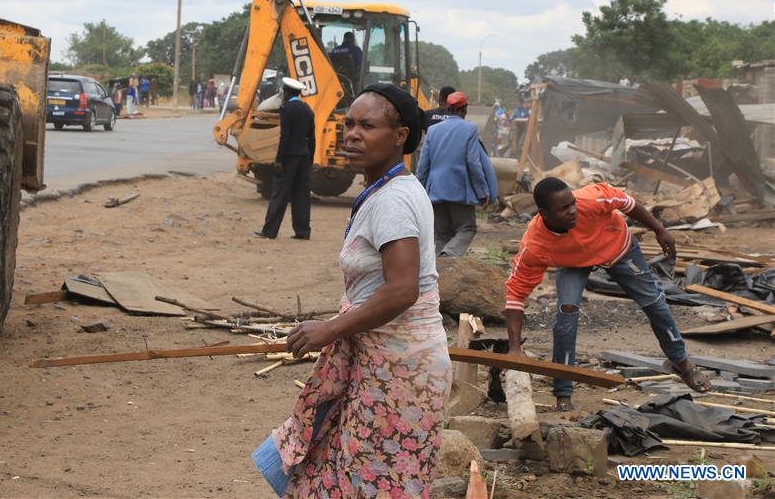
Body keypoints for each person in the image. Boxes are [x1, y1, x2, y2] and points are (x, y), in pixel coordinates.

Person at [254, 82, 451, 498]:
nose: (353, 135)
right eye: (348, 124)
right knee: (347, 470)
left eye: (368, 125)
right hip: (381, 363)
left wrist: (330, 329)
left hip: (399, 371)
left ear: (400, 137)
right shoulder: (385, 189)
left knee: (377, 481)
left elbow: (401, 290)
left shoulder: (393, 201)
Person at [505, 177, 711, 411]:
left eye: (572, 203)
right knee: (566, 313)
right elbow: (515, 294)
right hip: (574, 261)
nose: (573, 211)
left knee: (654, 301)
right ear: (543, 213)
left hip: (618, 248)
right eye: (563, 209)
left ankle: (683, 364)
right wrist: (514, 348)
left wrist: (659, 230)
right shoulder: (535, 244)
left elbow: (629, 204)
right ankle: (563, 393)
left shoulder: (592, 198)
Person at [416, 91, 497, 257]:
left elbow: (423, 165)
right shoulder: (470, 129)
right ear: (464, 108)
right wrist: (483, 192)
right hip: (459, 190)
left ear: (447, 108)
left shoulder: (433, 130)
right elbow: (474, 164)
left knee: (441, 235)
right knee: (467, 228)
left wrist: (419, 192)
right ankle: (449, 255)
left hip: (435, 190)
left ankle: (439, 273)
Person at [255, 78, 316, 240]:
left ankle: (269, 231)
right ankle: (303, 232)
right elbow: (312, 138)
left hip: (289, 157)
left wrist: (278, 159)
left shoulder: (286, 109)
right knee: (302, 195)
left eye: (283, 93)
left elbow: (285, 136)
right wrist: (310, 160)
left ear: (287, 93)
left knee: (280, 193)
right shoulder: (307, 109)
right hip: (304, 157)